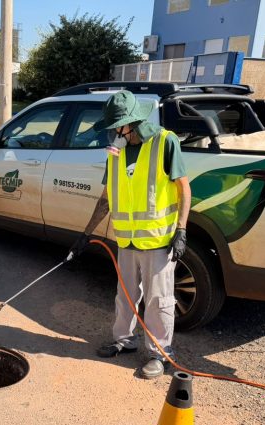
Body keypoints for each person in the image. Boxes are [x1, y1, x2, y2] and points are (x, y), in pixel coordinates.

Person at [71, 90, 191, 379]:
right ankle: (124, 340)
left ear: (131, 122)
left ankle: (160, 353)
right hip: (126, 240)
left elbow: (184, 189)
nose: (113, 132)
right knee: (125, 296)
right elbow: (106, 197)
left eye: (116, 126)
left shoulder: (165, 142)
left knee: (158, 300)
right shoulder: (116, 151)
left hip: (158, 241)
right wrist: (85, 234)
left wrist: (182, 230)